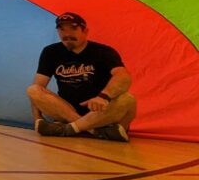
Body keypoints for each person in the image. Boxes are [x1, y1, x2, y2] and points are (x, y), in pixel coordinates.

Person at [28, 12, 136, 142]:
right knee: (33, 90)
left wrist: (103, 97)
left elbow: (123, 76)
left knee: (128, 100)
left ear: (85, 31)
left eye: (73, 29)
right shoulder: (50, 52)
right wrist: (38, 119)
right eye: (62, 29)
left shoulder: (104, 51)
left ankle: (68, 129)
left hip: (99, 113)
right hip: (67, 113)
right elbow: (38, 87)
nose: (67, 34)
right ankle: (94, 131)